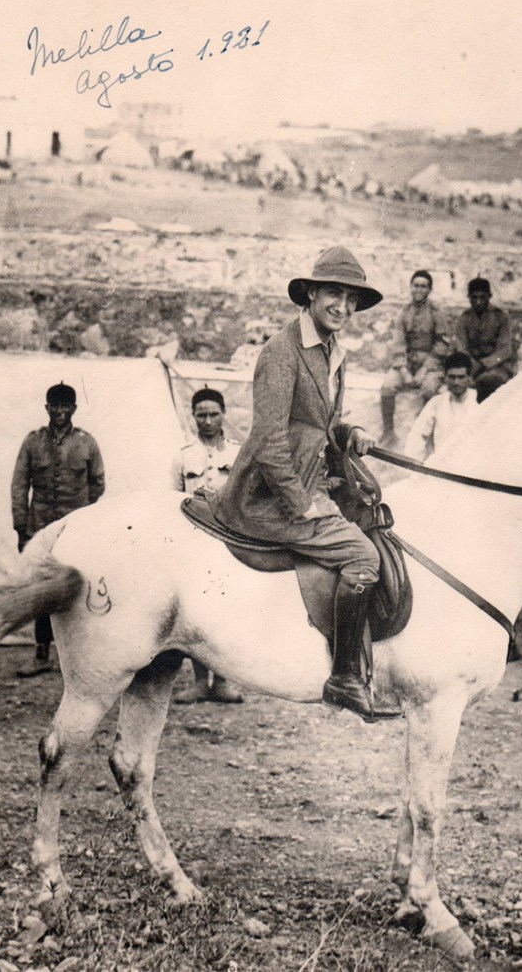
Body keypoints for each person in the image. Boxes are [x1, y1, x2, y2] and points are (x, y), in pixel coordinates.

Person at [209, 246, 395, 723]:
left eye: (352, 299)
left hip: (313, 479)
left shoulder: (334, 352)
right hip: (268, 496)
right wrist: (302, 504)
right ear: (311, 294)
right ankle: (344, 676)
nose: (344, 307)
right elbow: (269, 439)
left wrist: (348, 433)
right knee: (363, 557)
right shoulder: (280, 352)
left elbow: (320, 422)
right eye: (335, 294)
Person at [11, 382, 105, 676]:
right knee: (42, 590)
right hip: (39, 529)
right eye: (55, 406)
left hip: (74, 531)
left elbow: (97, 483)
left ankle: (78, 655)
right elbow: (19, 485)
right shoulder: (33, 442)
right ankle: (42, 654)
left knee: (77, 587)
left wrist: (83, 522)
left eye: (66, 406)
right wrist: (21, 528)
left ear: (74, 409)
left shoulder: (86, 443)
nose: (60, 412)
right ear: (47, 408)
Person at [172, 387, 244, 704]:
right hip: (194, 543)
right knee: (197, 612)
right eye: (201, 414)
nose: (208, 420)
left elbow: (246, 497)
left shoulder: (238, 453)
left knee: (228, 610)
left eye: (214, 413)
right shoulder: (184, 455)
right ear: (194, 417)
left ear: (223, 414)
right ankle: (201, 681)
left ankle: (225, 681)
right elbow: (174, 501)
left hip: (230, 542)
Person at [380, 269, 450, 445]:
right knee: (387, 386)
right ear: (411, 287)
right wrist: (403, 371)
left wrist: (424, 370)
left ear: (429, 290)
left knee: (429, 389)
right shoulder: (404, 312)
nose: (419, 290)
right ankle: (388, 432)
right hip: (407, 363)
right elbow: (399, 342)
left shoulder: (436, 312)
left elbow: (442, 344)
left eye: (424, 286)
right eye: (416, 285)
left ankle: (428, 435)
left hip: (430, 364)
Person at [404, 351, 479, 461]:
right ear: (445, 377)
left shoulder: (480, 401)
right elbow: (418, 435)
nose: (456, 382)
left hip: (470, 468)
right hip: (441, 467)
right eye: (452, 377)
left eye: (461, 377)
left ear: (468, 378)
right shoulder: (436, 403)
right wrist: (415, 464)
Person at [455, 277, 517, 402]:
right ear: (469, 297)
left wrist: (484, 364)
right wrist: (472, 365)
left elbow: (504, 349)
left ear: (489, 296)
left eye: (482, 297)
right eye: (474, 297)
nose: (478, 302)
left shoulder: (501, 316)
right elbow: (461, 347)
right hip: (472, 366)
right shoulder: (464, 318)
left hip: (497, 365)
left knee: (490, 381)